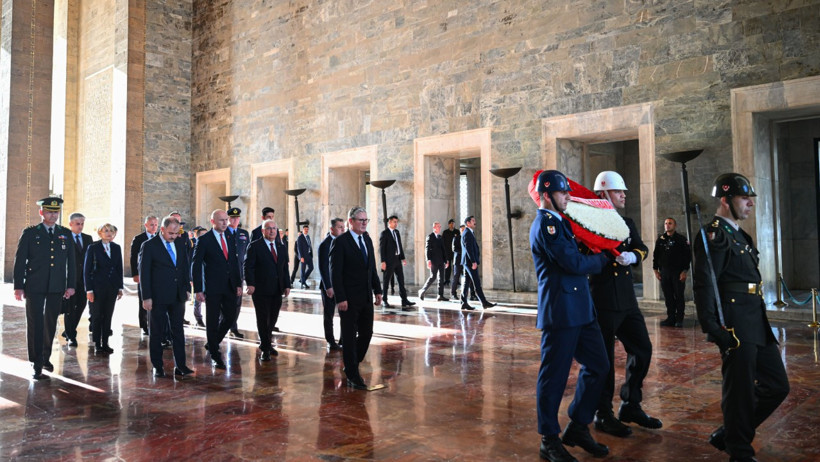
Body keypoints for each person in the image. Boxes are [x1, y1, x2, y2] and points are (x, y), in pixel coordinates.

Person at [693, 173, 789, 462]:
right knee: (740, 391)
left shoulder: (739, 234)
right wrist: (713, 326)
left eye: (750, 198)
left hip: (755, 319)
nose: (750, 203)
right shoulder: (714, 234)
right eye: (744, 198)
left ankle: (729, 434)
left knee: (777, 385)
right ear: (725, 200)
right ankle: (739, 451)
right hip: (734, 322)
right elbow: (705, 283)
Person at [529, 171, 610, 461]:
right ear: (546, 195)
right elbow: (572, 262)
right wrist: (603, 258)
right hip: (561, 311)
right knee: (554, 376)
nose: (567, 197)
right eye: (562, 193)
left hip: (580, 309)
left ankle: (578, 425)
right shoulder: (546, 226)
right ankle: (549, 439)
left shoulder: (560, 222)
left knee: (599, 365)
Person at [587, 170, 662, 437]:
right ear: (603, 193)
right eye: (618, 191)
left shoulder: (627, 222)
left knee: (642, 349)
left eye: (623, 191)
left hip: (628, 300)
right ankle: (603, 414)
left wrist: (633, 256)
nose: (623, 195)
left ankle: (630, 404)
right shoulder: (589, 224)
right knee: (604, 360)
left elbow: (642, 248)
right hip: (603, 299)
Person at [13, 197, 76, 380]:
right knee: (35, 322)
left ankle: (45, 358)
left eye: (56, 212)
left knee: (50, 323)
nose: (53, 215)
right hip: (35, 285)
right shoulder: (31, 233)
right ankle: (36, 362)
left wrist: (71, 285)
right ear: (41, 212)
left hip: (56, 286)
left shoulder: (65, 233)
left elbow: (71, 262)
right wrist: (18, 286)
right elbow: (20, 261)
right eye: (49, 212)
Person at [329, 206, 383, 389]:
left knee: (367, 333)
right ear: (350, 221)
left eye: (366, 220)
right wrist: (340, 298)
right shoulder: (341, 242)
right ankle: (352, 373)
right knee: (349, 337)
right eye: (361, 220)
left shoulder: (367, 239)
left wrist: (377, 290)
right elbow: (335, 273)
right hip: (349, 299)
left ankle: (352, 362)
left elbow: (371, 268)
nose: (364, 223)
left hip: (366, 296)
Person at [138, 216, 193, 378]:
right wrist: (146, 297)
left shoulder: (180, 243)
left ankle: (181, 365)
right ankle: (157, 366)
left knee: (178, 331)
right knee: (157, 332)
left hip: (177, 295)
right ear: (162, 230)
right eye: (170, 233)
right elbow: (144, 273)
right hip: (157, 297)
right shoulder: (149, 246)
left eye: (176, 233)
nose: (174, 236)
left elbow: (184, 267)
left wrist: (186, 288)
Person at [192, 209, 243, 370]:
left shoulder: (230, 237)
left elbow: (233, 262)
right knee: (212, 321)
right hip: (212, 287)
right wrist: (198, 289)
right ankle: (215, 354)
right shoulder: (204, 240)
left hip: (229, 286)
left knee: (230, 317)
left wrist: (238, 284)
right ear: (213, 221)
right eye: (221, 220)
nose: (225, 223)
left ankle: (212, 342)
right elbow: (196, 265)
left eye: (226, 220)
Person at [244, 219, 291, 361]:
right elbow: (248, 266)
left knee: (273, 318)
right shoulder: (254, 246)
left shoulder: (281, 246)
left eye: (274, 228)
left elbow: (284, 267)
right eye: (269, 228)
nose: (272, 231)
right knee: (263, 319)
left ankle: (266, 343)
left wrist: (287, 285)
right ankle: (265, 348)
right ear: (263, 231)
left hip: (277, 289)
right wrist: (250, 284)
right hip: (260, 289)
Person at [84, 223, 124, 354]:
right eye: (106, 231)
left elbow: (119, 268)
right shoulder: (93, 247)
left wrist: (120, 287)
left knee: (108, 315)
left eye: (111, 231)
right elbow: (86, 270)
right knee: (97, 316)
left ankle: (105, 342)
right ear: (100, 233)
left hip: (111, 287)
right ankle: (97, 343)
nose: (109, 233)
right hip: (97, 288)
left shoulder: (116, 248)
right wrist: (89, 290)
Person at [61, 212, 93, 347]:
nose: (80, 226)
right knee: (70, 308)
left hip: (83, 279)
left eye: (82, 224)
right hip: (70, 279)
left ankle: (69, 330)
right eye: (77, 224)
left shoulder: (88, 238)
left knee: (81, 305)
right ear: (70, 224)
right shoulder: (64, 238)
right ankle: (71, 336)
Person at [653, 217, 691, 327]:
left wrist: (684, 271)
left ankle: (679, 319)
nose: (667, 225)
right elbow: (656, 256)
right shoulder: (660, 239)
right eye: (666, 223)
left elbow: (687, 257)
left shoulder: (681, 239)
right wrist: (656, 270)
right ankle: (671, 318)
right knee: (668, 296)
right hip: (664, 272)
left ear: (675, 225)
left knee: (679, 295)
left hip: (677, 272)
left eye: (670, 223)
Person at [318, 218, 345, 350]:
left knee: (344, 313)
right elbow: (323, 267)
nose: (343, 230)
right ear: (332, 229)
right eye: (340, 227)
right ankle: (330, 341)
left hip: (342, 285)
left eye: (343, 227)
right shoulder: (325, 244)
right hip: (329, 286)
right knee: (329, 314)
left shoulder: (343, 242)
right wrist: (328, 286)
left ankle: (343, 339)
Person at [130, 215, 159, 336]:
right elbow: (133, 257)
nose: (154, 227)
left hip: (156, 274)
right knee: (143, 299)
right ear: (146, 225)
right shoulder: (138, 239)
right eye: (151, 224)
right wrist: (135, 274)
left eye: (156, 225)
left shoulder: (159, 237)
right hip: (142, 274)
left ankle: (155, 323)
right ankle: (144, 325)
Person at [379, 215, 415, 309]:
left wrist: (402, 258)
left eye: (396, 222)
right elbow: (382, 249)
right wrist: (383, 261)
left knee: (401, 280)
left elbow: (399, 245)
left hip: (397, 260)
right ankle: (384, 300)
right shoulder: (384, 233)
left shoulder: (397, 232)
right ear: (389, 222)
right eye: (394, 222)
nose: (396, 224)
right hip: (389, 261)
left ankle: (404, 300)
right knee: (386, 281)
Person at [459, 216, 495, 310]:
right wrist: (473, 261)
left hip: (467, 262)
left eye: (474, 220)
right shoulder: (467, 233)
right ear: (468, 223)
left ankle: (463, 302)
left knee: (466, 282)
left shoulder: (469, 232)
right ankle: (484, 302)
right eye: (473, 221)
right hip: (470, 262)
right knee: (476, 282)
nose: (475, 222)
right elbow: (468, 249)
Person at [226, 207, 250, 338]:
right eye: (232, 218)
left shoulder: (243, 234)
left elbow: (247, 254)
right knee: (225, 301)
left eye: (237, 218)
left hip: (239, 272)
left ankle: (233, 326)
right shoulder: (223, 233)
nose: (235, 220)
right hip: (226, 272)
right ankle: (223, 325)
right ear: (228, 219)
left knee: (237, 301)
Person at [418, 221, 449, 301]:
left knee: (441, 278)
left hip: (441, 261)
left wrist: (446, 260)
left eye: (440, 226)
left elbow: (443, 249)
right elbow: (427, 249)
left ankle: (440, 295)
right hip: (433, 261)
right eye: (438, 226)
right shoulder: (430, 237)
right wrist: (428, 260)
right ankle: (422, 290)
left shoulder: (440, 237)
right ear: (434, 227)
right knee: (433, 276)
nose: (439, 228)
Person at [450, 224, 474, 301]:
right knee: (456, 277)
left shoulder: (468, 238)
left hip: (466, 260)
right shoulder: (456, 238)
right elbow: (454, 249)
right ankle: (453, 294)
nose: (463, 231)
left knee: (469, 276)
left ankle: (473, 295)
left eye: (464, 229)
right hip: (458, 260)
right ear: (460, 231)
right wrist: (464, 252)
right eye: (462, 230)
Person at [189, 226, 207, 326]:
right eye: (203, 234)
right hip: (198, 276)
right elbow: (191, 263)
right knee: (198, 299)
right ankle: (198, 319)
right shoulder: (193, 245)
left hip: (208, 277)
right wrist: (191, 278)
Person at [297, 224, 314, 289]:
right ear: (303, 230)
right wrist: (301, 257)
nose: (306, 230)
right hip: (303, 256)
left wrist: (311, 254)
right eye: (305, 229)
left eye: (307, 229)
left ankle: (302, 280)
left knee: (311, 268)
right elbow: (299, 248)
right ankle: (303, 283)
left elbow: (309, 245)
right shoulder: (300, 237)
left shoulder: (308, 237)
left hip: (309, 255)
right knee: (303, 270)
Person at [441, 219, 457, 286]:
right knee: (447, 267)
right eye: (451, 223)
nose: (452, 225)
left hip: (455, 252)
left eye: (453, 223)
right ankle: (447, 280)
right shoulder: (445, 232)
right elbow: (442, 242)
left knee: (455, 266)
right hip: (447, 252)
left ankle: (456, 280)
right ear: (449, 224)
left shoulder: (457, 231)